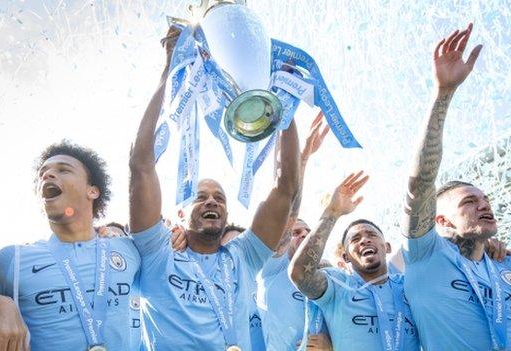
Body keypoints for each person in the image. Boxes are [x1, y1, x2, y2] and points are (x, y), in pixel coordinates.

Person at [128, 27, 300, 350]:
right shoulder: (156, 254)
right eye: (201, 196)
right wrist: (169, 71)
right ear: (180, 212)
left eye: (220, 198)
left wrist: (285, 102)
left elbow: (284, 188)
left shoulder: (244, 257)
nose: (213, 202)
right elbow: (141, 164)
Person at [401, 23, 511, 350]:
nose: (483, 205)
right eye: (468, 202)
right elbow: (419, 184)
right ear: (441, 220)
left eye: (484, 198)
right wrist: (444, 93)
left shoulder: (502, 263)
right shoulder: (425, 254)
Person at [0, 141, 141, 350]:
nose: (47, 175)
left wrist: (179, 236)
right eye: (43, 173)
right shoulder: (13, 258)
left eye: (63, 170)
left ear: (92, 191)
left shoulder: (128, 249)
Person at [289, 172, 422, 350]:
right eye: (355, 239)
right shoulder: (338, 286)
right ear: (345, 257)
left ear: (387, 247)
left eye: (371, 235)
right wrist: (332, 213)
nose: (364, 240)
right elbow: (300, 274)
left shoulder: (409, 286)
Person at [256, 112, 332, 351]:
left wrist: (331, 346)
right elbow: (285, 211)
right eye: (297, 232)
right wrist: (303, 158)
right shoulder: (273, 269)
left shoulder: (330, 277)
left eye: (307, 232)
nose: (303, 235)